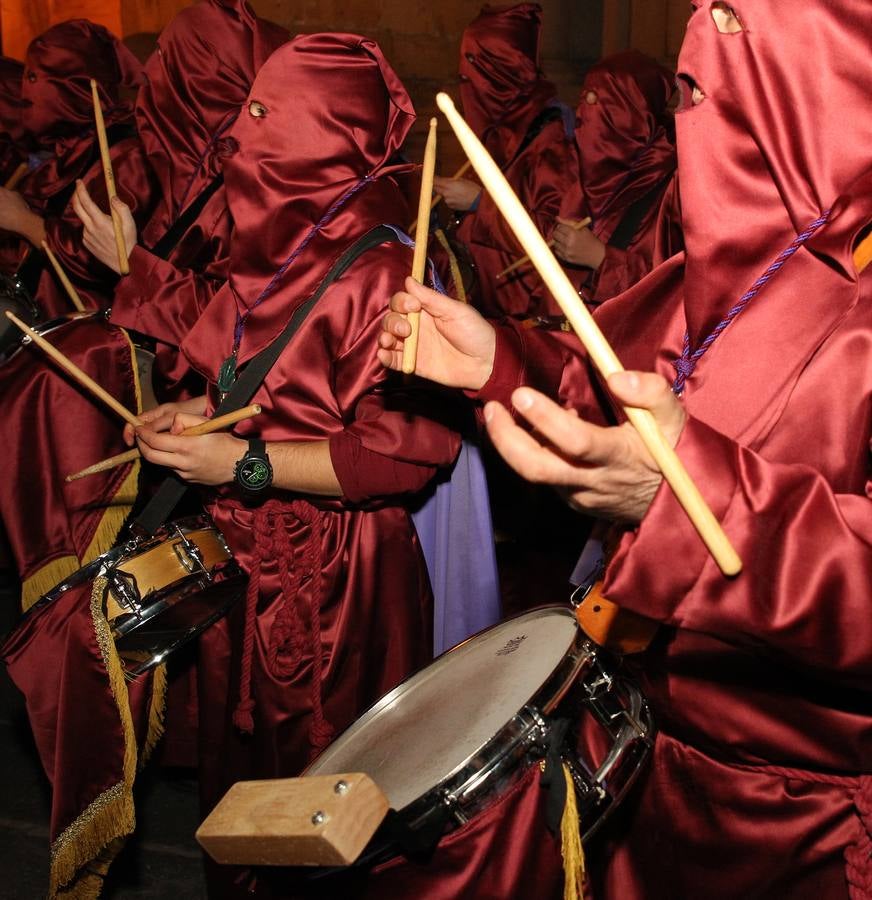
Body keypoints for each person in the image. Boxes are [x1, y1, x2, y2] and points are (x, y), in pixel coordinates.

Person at [379, 0, 872, 896]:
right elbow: (618, 383)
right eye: (684, 94)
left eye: (708, 94)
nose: (693, 129)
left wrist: (690, 504)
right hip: (650, 754)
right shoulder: (734, 267)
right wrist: (499, 358)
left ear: (810, 101)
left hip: (796, 826)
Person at [128, 35, 460, 895]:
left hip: (338, 587)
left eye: (267, 114)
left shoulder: (392, 266)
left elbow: (403, 456)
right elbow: (278, 383)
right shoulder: (298, 233)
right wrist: (202, 412)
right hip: (253, 555)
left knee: (322, 810)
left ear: (328, 136)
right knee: (242, 799)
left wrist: (238, 465)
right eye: (246, 107)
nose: (239, 135)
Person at [434, 2, 583, 319]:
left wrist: (478, 202)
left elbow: (557, 236)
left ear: (500, 75)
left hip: (522, 320)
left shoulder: (550, 140)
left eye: (473, 73)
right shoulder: (499, 130)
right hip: (484, 301)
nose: (466, 87)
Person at [0, 20, 153, 318]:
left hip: (92, 335)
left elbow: (112, 260)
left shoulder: (126, 156)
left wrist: (24, 221)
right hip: (39, 316)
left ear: (78, 85)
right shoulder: (64, 155)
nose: (25, 95)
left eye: (37, 78)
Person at [553, 50, 677, 306]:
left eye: (601, 104)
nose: (584, 116)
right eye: (584, 101)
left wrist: (601, 258)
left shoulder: (673, 189)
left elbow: (674, 290)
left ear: (633, 117)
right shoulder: (583, 175)